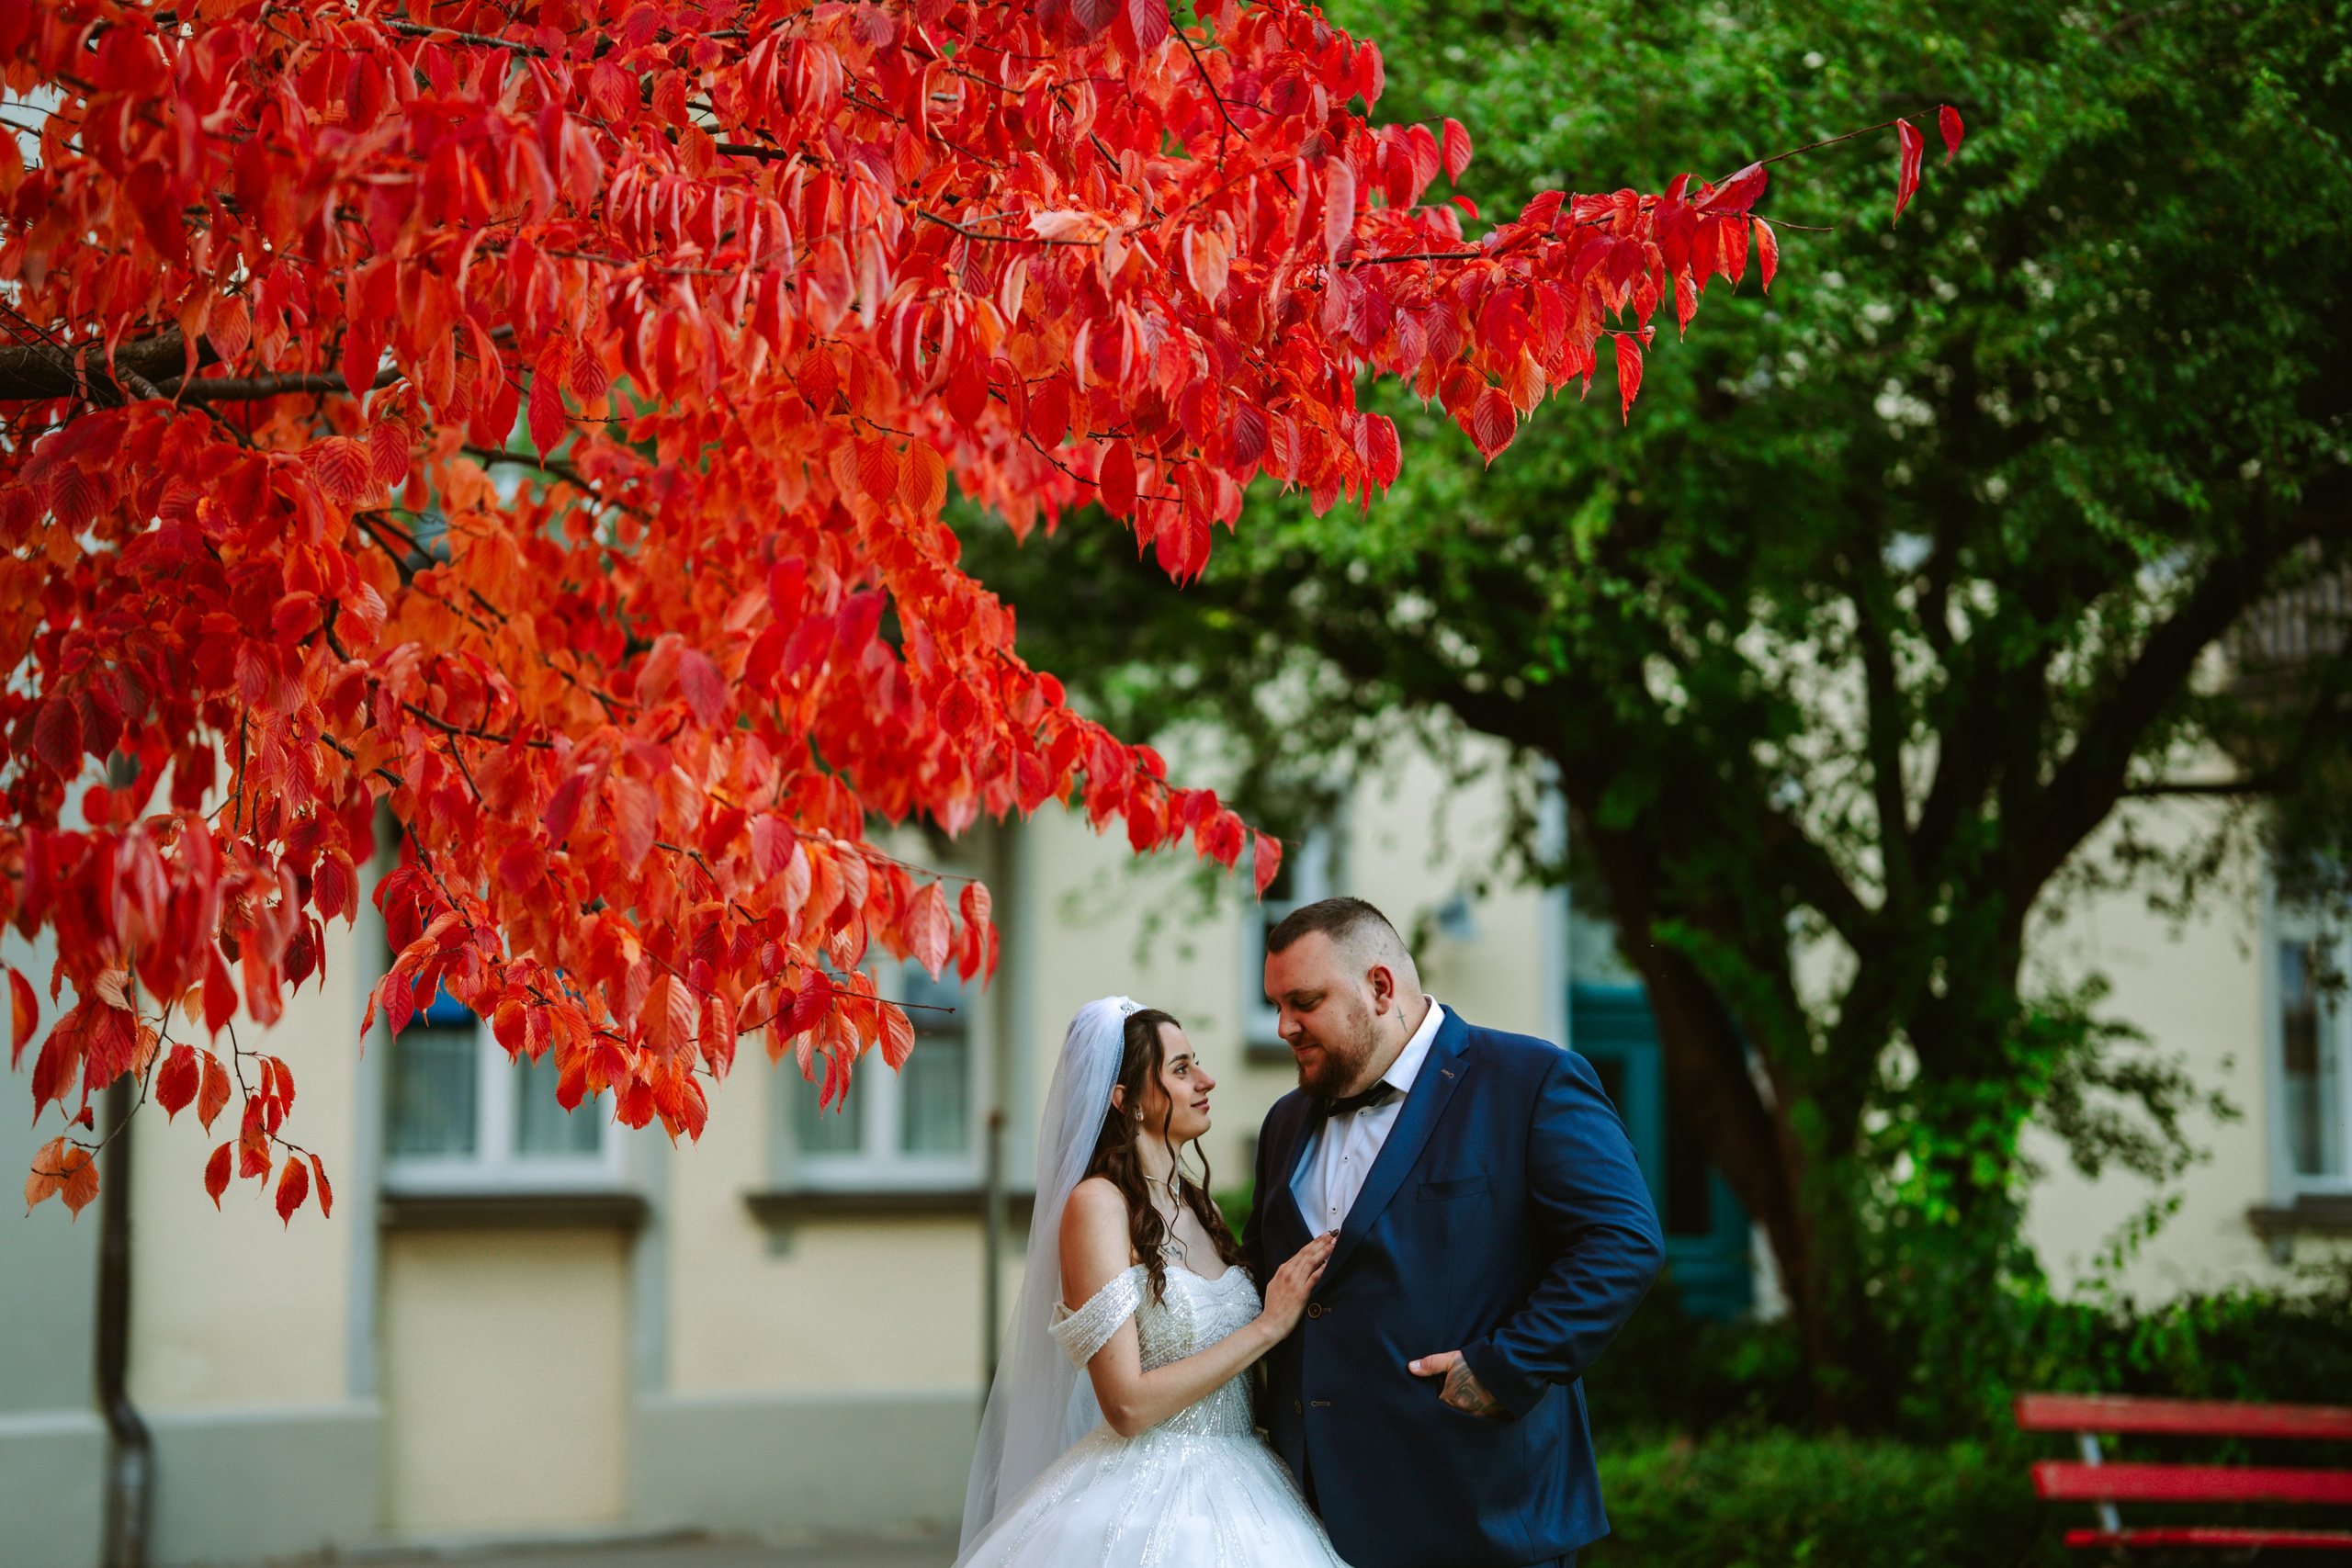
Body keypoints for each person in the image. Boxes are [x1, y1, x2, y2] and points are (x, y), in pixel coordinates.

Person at [1244, 897, 1665, 1568]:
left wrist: (1504, 1367)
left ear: (1380, 987)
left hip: (1477, 1511)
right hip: (1306, 1521)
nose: (1284, 1025)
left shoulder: (1530, 1081)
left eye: (1304, 1001)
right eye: (1276, 1005)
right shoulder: (1284, 1121)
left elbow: (1623, 1241)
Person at [956, 996, 1351, 1568]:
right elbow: (1127, 1405)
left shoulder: (1197, 1202)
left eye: (1198, 1063)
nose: (1206, 1079)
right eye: (1181, 1069)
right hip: (1145, 1497)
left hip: (1250, 1482)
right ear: (1125, 1099)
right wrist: (1268, 1326)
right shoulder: (1097, 1206)